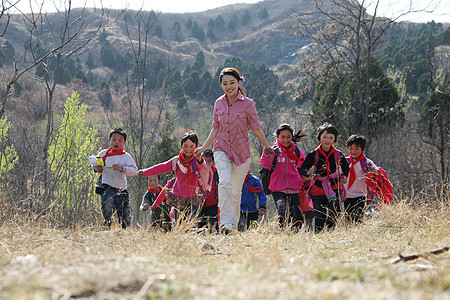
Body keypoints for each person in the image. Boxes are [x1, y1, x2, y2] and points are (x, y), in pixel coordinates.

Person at [194, 67, 275, 234]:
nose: (229, 86)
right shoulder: (218, 103)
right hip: (221, 148)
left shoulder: (248, 104)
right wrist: (203, 147)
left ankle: (233, 228)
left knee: (236, 193)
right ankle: (225, 224)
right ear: (221, 85)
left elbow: (256, 128)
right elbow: (215, 128)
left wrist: (267, 146)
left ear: (239, 82)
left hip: (242, 153)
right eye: (225, 84)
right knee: (224, 182)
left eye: (232, 83)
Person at [138, 132, 208, 223]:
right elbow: (161, 167)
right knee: (178, 223)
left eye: (192, 146)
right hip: (178, 198)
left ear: (196, 146)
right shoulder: (176, 161)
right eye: (185, 146)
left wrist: (199, 159)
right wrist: (145, 172)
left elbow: (204, 168)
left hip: (193, 198)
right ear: (181, 145)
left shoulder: (197, 161)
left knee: (190, 223)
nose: (188, 149)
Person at [299, 123, 349, 233]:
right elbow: (303, 168)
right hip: (318, 187)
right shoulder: (313, 154)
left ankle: (330, 227)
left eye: (331, 137)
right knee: (319, 213)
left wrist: (344, 176)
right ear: (319, 137)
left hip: (335, 184)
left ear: (335, 139)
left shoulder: (338, 154)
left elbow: (345, 166)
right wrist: (308, 172)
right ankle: (319, 234)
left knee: (335, 208)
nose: (327, 140)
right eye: (325, 137)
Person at [260, 123, 307, 230]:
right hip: (277, 188)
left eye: (288, 137)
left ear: (292, 137)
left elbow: (302, 164)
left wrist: (307, 173)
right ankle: (284, 233)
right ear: (277, 137)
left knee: (297, 216)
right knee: (283, 213)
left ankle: (294, 234)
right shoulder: (274, 151)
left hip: (294, 188)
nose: (286, 140)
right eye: (283, 137)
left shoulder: (295, 150)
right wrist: (267, 154)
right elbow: (264, 164)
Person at [93, 128, 138, 228]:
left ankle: (124, 232)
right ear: (109, 141)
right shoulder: (102, 154)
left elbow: (134, 171)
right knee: (107, 205)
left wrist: (122, 169)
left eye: (120, 140)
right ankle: (108, 226)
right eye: (114, 139)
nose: (116, 142)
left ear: (124, 142)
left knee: (125, 214)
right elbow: (95, 166)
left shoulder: (126, 157)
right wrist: (97, 169)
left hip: (121, 188)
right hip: (106, 186)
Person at [197, 150, 219, 232]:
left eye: (209, 161)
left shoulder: (217, 172)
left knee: (213, 227)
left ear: (213, 162)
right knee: (200, 227)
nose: (206, 164)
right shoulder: (198, 171)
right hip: (200, 203)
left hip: (213, 203)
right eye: (204, 161)